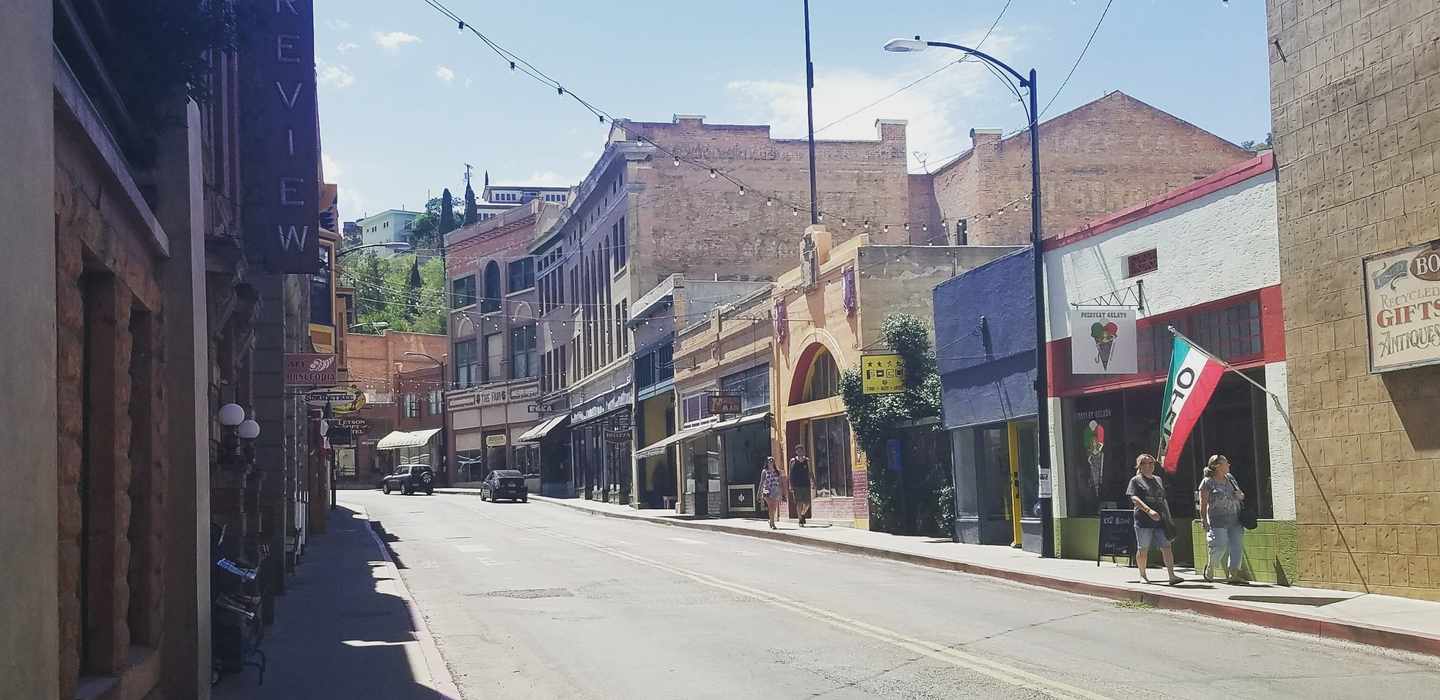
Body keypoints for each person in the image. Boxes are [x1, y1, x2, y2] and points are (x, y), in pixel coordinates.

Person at [1126, 454, 1182, 585]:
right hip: (1143, 520)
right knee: (1143, 548)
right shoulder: (1136, 480)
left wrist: (1167, 517)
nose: (1149, 466)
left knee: (1166, 546)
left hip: (1161, 520)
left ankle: (1171, 575)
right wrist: (1148, 510)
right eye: (1145, 463)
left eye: (1151, 463)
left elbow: (1163, 499)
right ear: (1140, 465)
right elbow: (1134, 498)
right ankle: (1143, 575)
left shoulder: (1158, 479)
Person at [1199, 454, 1246, 583]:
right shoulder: (1208, 482)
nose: (1229, 465)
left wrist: (1240, 495)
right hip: (1217, 520)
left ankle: (1234, 574)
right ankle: (1211, 566)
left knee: (1236, 546)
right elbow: (1203, 503)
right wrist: (1203, 519)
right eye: (1226, 463)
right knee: (1220, 545)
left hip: (1235, 518)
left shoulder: (1230, 478)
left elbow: (1241, 494)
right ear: (1218, 466)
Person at [789, 446, 813, 526]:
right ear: (796, 452)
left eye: (801, 450)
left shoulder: (807, 460)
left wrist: (813, 481)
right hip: (796, 485)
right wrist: (790, 485)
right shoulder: (793, 461)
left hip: (806, 484)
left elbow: (810, 472)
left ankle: (802, 514)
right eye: (798, 451)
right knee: (799, 503)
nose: (800, 452)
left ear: (803, 451)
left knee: (807, 503)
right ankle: (800, 520)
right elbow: (790, 474)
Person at [759, 456, 783, 529]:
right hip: (767, 490)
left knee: (774, 507)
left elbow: (780, 482)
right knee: (770, 506)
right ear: (767, 462)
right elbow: (762, 482)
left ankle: (771, 519)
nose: (771, 461)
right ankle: (773, 523)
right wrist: (759, 493)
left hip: (775, 490)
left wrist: (781, 493)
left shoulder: (777, 471)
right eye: (769, 460)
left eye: (772, 460)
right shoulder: (764, 471)